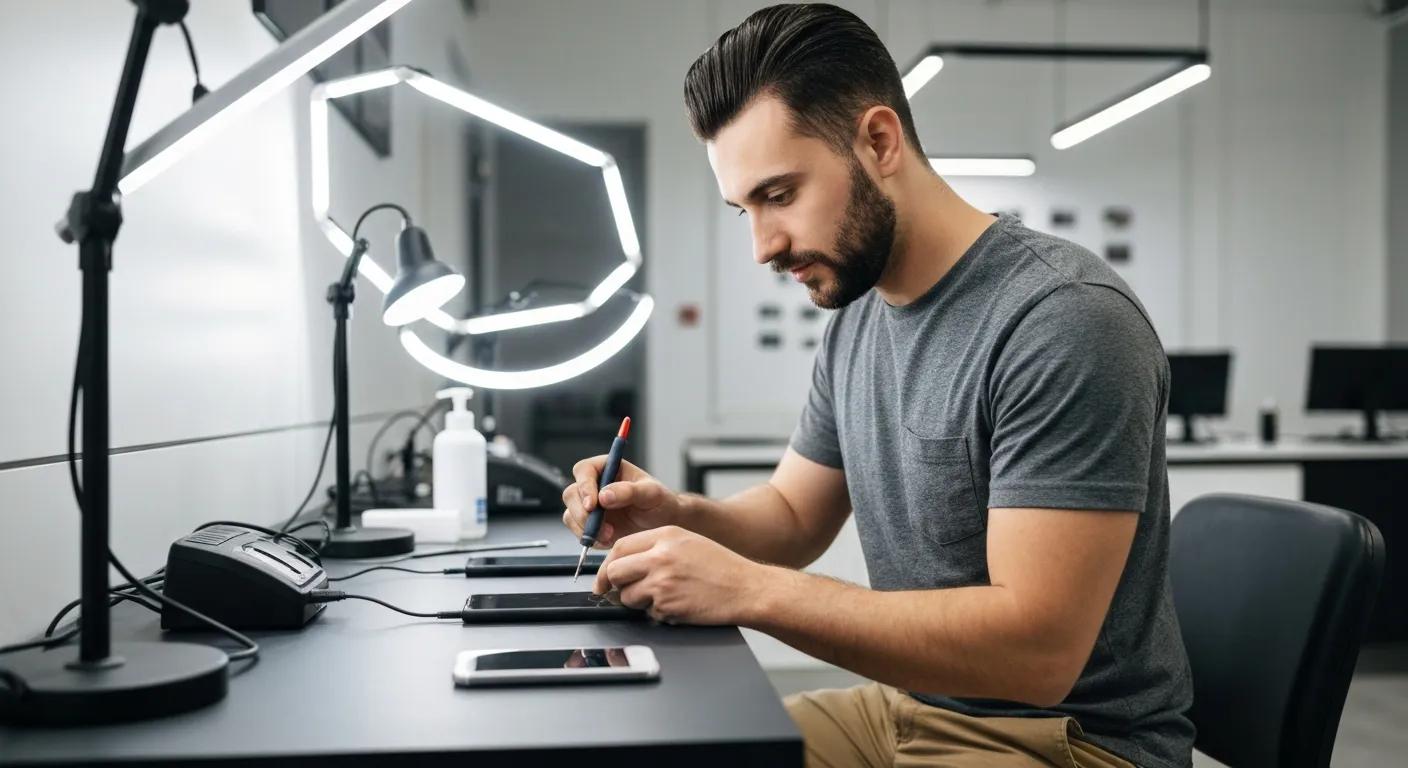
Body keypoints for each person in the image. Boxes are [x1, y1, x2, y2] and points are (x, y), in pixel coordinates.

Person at [562, 4, 1193, 766]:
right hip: (911, 708)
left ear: (880, 141)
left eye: (780, 195)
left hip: (1067, 743)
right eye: (744, 211)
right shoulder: (858, 319)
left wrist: (748, 591)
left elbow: (1038, 653)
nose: (764, 247)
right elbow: (794, 516)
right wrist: (678, 514)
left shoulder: (1063, 321)